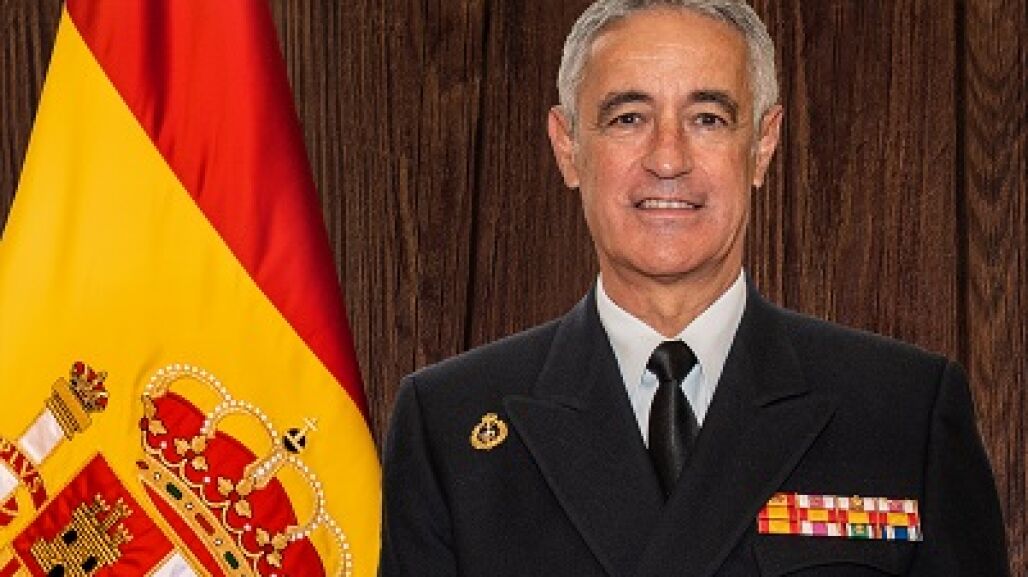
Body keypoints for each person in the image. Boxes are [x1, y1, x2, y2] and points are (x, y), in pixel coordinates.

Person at [378, 1, 1009, 575]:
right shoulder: (450, 425)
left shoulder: (903, 413)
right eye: (628, 118)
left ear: (762, 144)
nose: (668, 158)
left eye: (708, 119)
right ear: (567, 147)